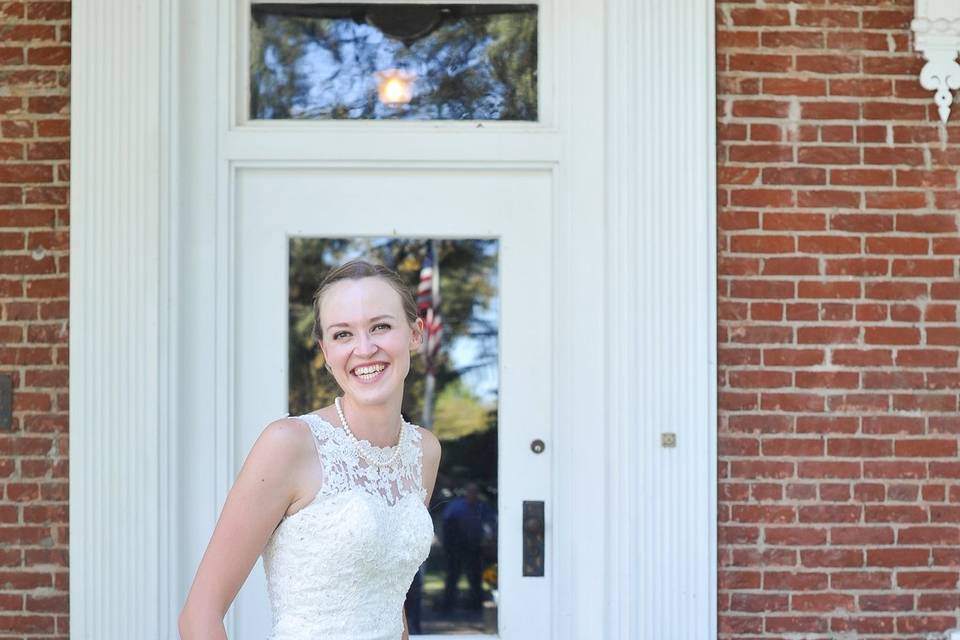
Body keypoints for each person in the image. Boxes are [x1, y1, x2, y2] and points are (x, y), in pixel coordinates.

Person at [179, 260, 442, 640]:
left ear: (415, 334)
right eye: (342, 335)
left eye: (381, 326)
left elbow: (389, 597)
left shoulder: (424, 451)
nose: (364, 349)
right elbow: (199, 615)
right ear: (324, 350)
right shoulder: (290, 444)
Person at [441, 482, 495, 612]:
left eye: (475, 492)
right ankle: (447, 607)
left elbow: (491, 523)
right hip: (456, 547)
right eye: (470, 491)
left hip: (474, 547)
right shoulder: (456, 507)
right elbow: (446, 524)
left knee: (475, 577)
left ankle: (476, 607)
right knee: (453, 576)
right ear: (466, 492)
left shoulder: (482, 507)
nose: (473, 494)